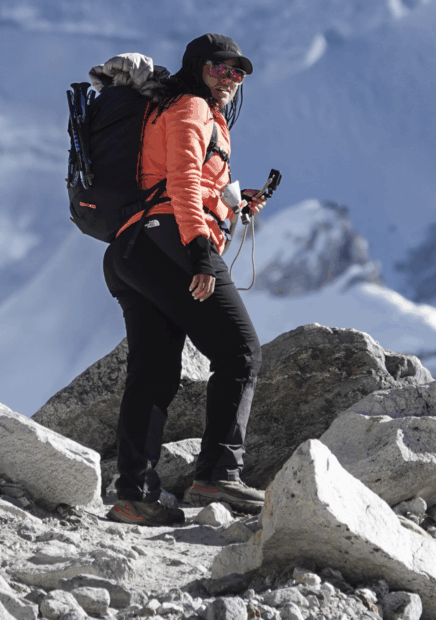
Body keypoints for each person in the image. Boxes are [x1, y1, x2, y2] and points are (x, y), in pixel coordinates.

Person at [103, 33, 267, 526]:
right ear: (197, 68)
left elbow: (187, 182)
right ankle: (219, 473)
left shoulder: (183, 110)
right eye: (221, 68)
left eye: (239, 72)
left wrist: (231, 205)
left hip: (132, 250)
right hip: (169, 239)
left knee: (153, 373)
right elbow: (182, 181)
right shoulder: (191, 108)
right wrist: (199, 249)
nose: (231, 79)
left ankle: (134, 492)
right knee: (241, 351)